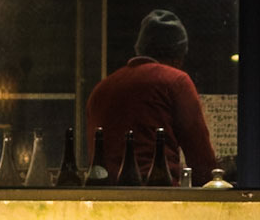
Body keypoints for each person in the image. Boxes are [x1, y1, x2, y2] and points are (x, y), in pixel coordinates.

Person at [86, 9, 218, 180]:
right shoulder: (176, 81)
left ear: (139, 49)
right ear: (177, 57)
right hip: (159, 195)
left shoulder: (100, 90)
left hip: (105, 199)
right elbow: (201, 160)